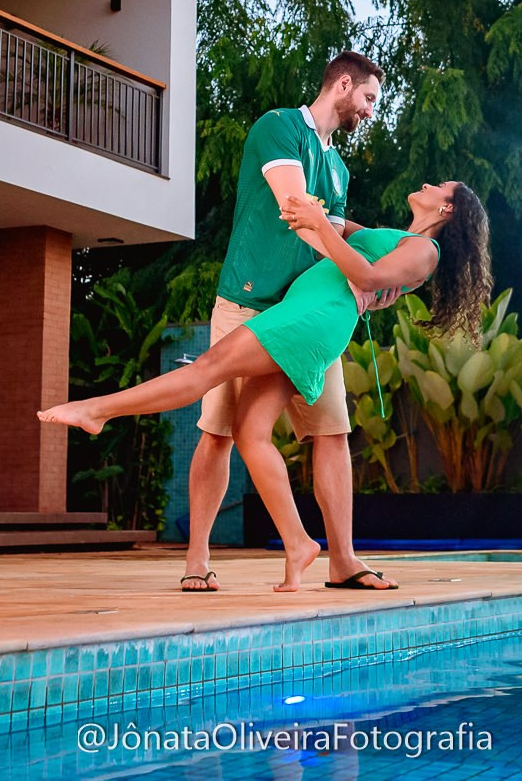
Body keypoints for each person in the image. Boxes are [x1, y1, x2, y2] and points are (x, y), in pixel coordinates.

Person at [37, 179, 492, 591]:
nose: (428, 184)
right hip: (307, 314)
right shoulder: (399, 238)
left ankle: (97, 410)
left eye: (440, 186)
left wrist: (319, 223)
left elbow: (367, 276)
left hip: (309, 319)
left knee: (207, 369)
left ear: (448, 209)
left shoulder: (425, 251)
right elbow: (339, 232)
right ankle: (298, 543)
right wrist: (315, 210)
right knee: (250, 433)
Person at [190, 54, 387, 595]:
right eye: (368, 98)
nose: (371, 111)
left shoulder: (340, 169)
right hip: (248, 307)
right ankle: (196, 556)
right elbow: (298, 212)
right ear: (342, 84)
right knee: (219, 432)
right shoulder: (279, 127)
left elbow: (334, 232)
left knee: (332, 433)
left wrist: (380, 259)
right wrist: (356, 263)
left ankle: (343, 560)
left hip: (305, 316)